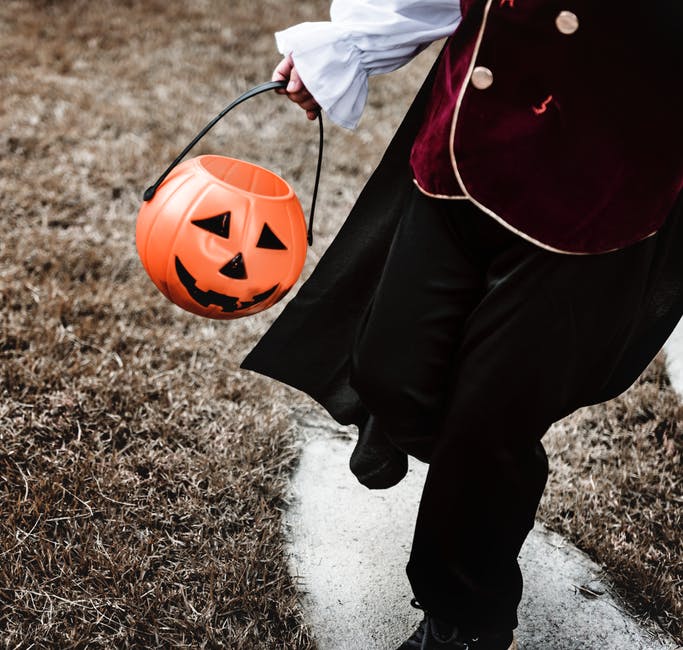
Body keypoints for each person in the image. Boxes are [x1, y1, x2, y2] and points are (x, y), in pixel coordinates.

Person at [241, 2, 683, 648]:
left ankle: (465, 621)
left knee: (491, 422)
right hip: (464, 145)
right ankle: (474, 453)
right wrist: (346, 46)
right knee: (387, 369)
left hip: (594, 198)